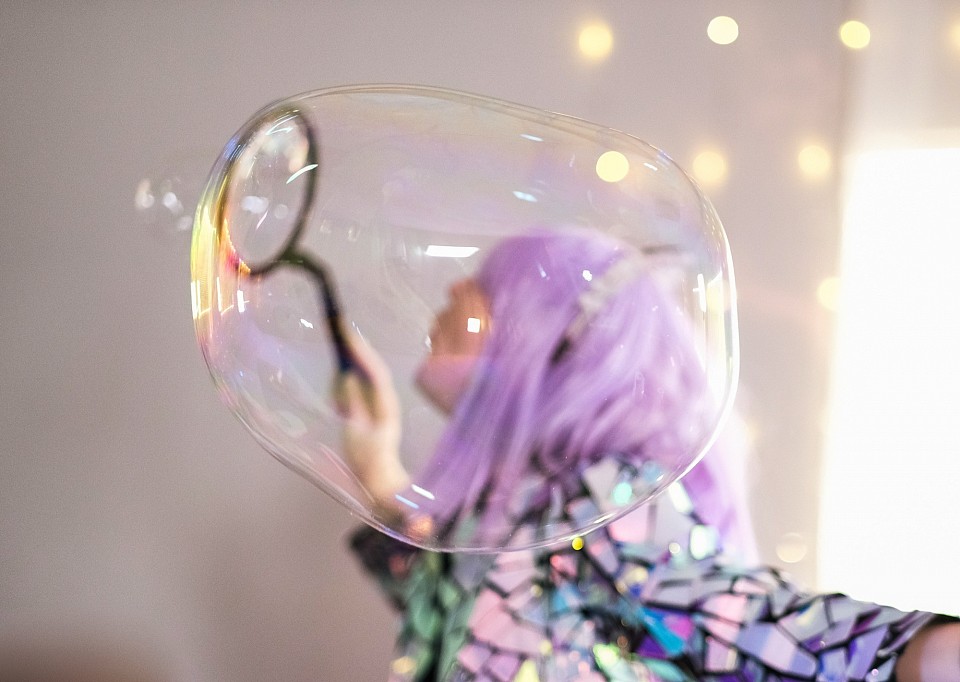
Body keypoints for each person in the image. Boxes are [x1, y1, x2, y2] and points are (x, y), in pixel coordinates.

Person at [337, 228, 958, 681]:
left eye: (495, 287)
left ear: (554, 343)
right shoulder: (520, 507)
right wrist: (379, 471)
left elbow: (738, 621)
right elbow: (455, 603)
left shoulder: (605, 497)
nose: (457, 289)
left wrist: (917, 653)